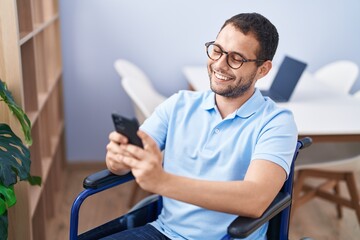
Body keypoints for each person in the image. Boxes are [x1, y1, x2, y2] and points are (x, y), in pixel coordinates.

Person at [105, 12, 297, 240]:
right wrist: (117, 160)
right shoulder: (178, 104)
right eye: (217, 50)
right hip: (162, 233)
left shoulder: (276, 122)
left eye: (236, 58)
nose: (219, 64)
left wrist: (163, 182)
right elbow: (128, 160)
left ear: (263, 69)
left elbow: (255, 200)